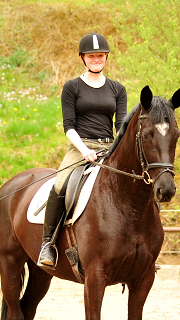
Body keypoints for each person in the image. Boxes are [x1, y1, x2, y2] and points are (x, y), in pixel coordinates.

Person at [38, 32, 127, 269]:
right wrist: (85, 150)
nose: (96, 59)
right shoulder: (72, 87)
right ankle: (48, 244)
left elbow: (121, 126)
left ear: (106, 57)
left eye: (100, 55)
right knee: (60, 185)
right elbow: (69, 127)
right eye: (91, 56)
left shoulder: (117, 89)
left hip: (109, 146)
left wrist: (115, 150)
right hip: (80, 146)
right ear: (83, 58)